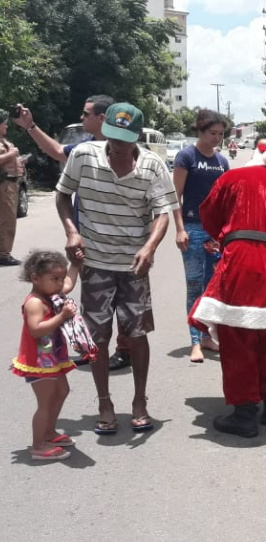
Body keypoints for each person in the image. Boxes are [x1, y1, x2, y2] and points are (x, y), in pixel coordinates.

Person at [55, 102, 179, 435]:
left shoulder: (153, 165)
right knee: (97, 337)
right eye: (112, 135)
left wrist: (149, 247)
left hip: (134, 266)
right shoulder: (84, 156)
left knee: (136, 334)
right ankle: (104, 402)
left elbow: (162, 213)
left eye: (124, 138)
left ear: (137, 135)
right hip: (94, 264)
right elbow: (63, 196)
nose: (117, 144)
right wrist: (72, 231)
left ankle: (140, 401)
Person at [189, 147, 266, 437]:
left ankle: (245, 411)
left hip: (240, 258)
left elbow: (209, 213)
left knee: (237, 335)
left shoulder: (232, 178)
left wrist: (227, 236)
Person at [12, 95, 132, 371]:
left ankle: (126, 349)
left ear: (102, 118)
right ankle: (95, 348)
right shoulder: (84, 148)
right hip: (88, 237)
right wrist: (30, 126)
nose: (81, 118)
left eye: (86, 113)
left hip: (120, 242)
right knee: (96, 300)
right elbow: (56, 151)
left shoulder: (125, 149)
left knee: (125, 301)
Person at [172, 109, 230, 363]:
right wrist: (180, 229)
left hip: (216, 233)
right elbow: (175, 196)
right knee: (195, 286)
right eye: (212, 133)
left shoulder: (222, 161)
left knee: (213, 287)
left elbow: (226, 199)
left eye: (220, 134)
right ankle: (195, 341)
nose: (216, 138)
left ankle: (207, 336)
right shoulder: (187, 156)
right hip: (193, 229)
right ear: (200, 130)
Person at [11, 251, 80, 461]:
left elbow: (68, 283)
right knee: (45, 401)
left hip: (52, 359)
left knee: (62, 391)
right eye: (54, 279)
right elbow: (36, 330)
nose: (60, 284)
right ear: (35, 278)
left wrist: (75, 264)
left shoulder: (51, 293)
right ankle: (38, 445)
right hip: (38, 362)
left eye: (60, 278)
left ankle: (49, 432)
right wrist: (62, 316)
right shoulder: (35, 302)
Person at [0, 109, 25, 266]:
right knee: (7, 220)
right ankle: (3, 254)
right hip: (4, 184)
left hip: (11, 184)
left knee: (6, 219)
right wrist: (12, 154)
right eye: (4, 124)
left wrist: (18, 161)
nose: (6, 127)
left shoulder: (3, 141)